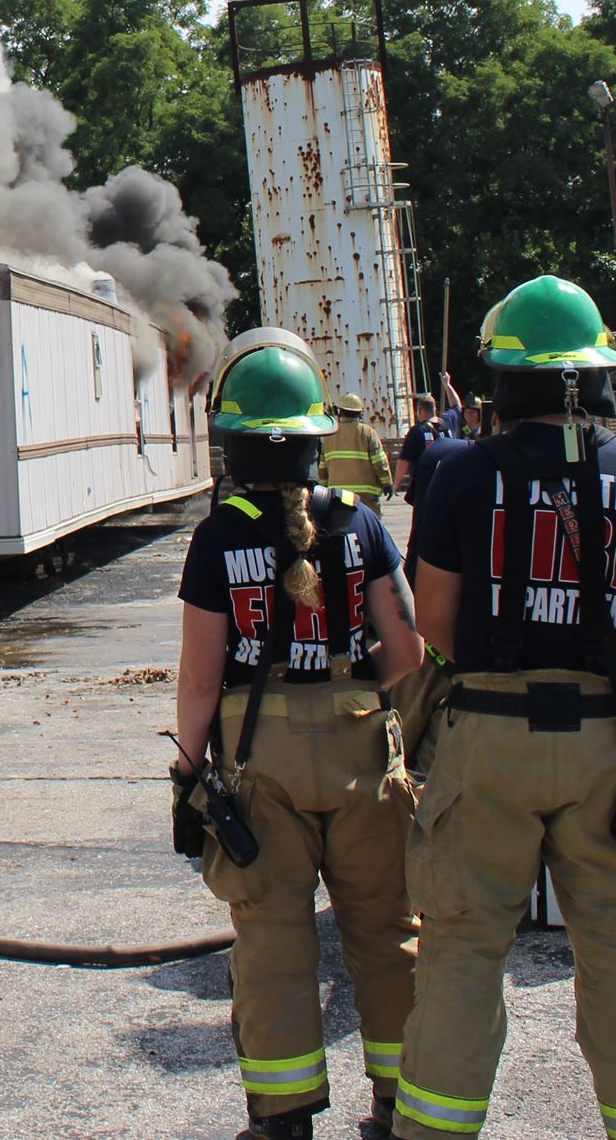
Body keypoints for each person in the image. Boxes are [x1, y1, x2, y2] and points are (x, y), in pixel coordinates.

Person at [393, 276, 616, 1140]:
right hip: (605, 737)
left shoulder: (462, 473)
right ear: (596, 375)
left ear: (502, 378)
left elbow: (434, 624)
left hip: (487, 738)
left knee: (462, 947)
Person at [175, 341, 424, 1140]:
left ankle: (283, 1117)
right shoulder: (361, 523)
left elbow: (201, 681)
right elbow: (409, 649)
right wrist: (349, 683)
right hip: (362, 745)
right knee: (386, 931)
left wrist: (186, 776)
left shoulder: (217, 538)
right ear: (316, 436)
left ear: (232, 442)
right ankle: (400, 1104)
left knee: (274, 941)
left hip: (260, 759)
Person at [322, 392, 395, 504]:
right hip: (365, 497)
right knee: (370, 516)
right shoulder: (368, 432)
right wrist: (387, 484)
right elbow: (379, 461)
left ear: (340, 411)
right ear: (360, 414)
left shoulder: (329, 434)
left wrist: (323, 488)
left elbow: (322, 467)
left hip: (337, 496)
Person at [395, 394, 442, 497]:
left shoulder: (417, 430)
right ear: (434, 409)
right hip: (446, 482)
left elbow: (404, 460)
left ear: (420, 410)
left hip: (426, 485)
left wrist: (396, 484)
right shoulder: (446, 427)